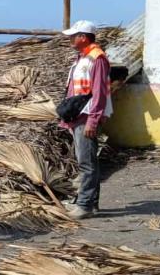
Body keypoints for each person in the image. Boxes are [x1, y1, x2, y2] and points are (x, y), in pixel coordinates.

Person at [60, 20, 112, 220]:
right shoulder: (83, 57)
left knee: (86, 163)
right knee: (88, 161)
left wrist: (93, 120)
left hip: (86, 115)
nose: (71, 39)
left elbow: (99, 92)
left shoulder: (96, 58)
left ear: (83, 37)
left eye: (74, 35)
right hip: (78, 115)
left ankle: (85, 205)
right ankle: (91, 202)